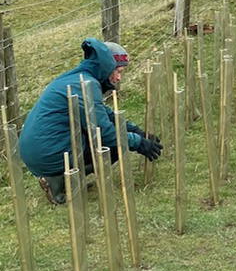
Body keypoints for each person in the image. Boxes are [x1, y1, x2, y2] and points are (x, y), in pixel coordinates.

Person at [19, 38, 162, 205]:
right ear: (106, 66)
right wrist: (137, 143)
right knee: (112, 146)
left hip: (38, 151)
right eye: (118, 71)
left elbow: (103, 114)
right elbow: (105, 132)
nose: (118, 78)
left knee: (115, 138)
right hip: (49, 153)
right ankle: (59, 182)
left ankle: (64, 177)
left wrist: (136, 131)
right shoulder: (86, 84)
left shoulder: (78, 77)